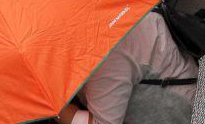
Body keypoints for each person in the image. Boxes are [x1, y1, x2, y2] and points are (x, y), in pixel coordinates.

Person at [55, 12, 196, 124]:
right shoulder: (118, 5)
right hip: (191, 85)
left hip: (179, 113)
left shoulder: (102, 56)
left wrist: (57, 108)